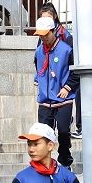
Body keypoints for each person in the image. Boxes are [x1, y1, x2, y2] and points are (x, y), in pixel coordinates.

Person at [32, 17, 77, 168]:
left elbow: (75, 73)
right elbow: (38, 69)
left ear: (53, 31)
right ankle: (45, 165)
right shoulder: (39, 51)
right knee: (43, 136)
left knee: (63, 132)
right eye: (41, 35)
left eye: (46, 34)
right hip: (45, 100)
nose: (43, 38)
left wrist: (67, 87)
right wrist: (38, 81)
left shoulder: (66, 50)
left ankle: (65, 161)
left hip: (63, 99)